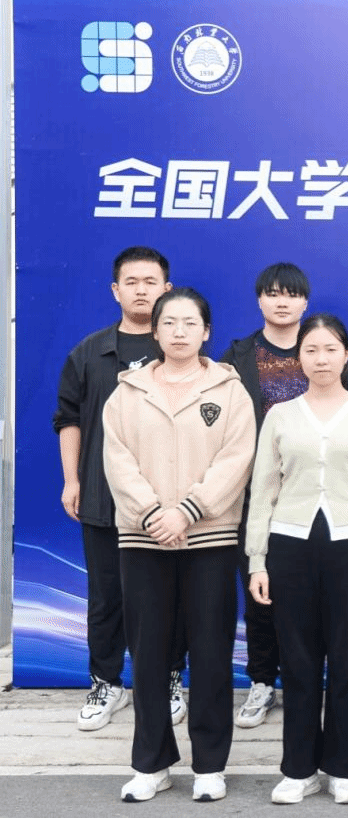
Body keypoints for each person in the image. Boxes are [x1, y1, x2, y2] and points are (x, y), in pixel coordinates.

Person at [102, 287, 256, 803]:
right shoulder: (127, 393)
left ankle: (210, 765)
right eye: (169, 323)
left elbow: (236, 459)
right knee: (147, 654)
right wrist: (153, 514)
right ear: (155, 331)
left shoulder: (229, 391)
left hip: (209, 537)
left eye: (190, 323)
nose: (179, 332)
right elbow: (117, 461)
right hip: (143, 539)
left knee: (211, 653)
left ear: (206, 331)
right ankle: (152, 764)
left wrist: (188, 510)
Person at [246, 314, 348, 806]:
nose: (320, 359)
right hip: (289, 546)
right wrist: (257, 559)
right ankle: (299, 769)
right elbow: (263, 489)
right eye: (311, 350)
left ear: (346, 355)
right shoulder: (280, 415)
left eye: (330, 349)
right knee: (297, 660)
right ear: (299, 357)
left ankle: (345, 766)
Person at [54, 246, 189, 732]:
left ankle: (169, 678)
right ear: (116, 290)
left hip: (166, 501)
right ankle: (106, 682)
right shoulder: (89, 353)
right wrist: (72, 480)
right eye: (131, 282)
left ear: (166, 289)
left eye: (150, 282)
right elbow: (68, 419)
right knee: (107, 595)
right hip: (102, 497)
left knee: (168, 595)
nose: (141, 290)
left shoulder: (181, 349)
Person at [219, 262, 311, 729]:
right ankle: (261, 681)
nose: (282, 302)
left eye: (291, 294)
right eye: (272, 293)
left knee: (311, 591)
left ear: (305, 302)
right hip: (253, 492)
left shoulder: (320, 347)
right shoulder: (238, 357)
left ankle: (305, 681)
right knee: (260, 588)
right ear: (259, 300)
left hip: (314, 493)